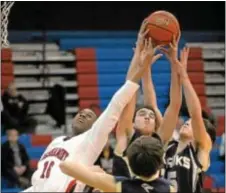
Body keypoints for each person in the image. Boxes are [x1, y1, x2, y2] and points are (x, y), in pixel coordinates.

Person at [22, 34, 158, 192]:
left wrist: (141, 69)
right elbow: (39, 183)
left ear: (96, 126)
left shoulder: (91, 139)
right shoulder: (56, 141)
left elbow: (117, 103)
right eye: (80, 113)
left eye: (89, 116)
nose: (83, 115)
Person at [113, 21, 183, 178]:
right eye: (142, 114)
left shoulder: (161, 140)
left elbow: (175, 104)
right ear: (132, 122)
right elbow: (128, 91)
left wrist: (174, 61)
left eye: (151, 116)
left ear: (156, 125)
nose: (147, 116)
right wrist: (138, 53)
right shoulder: (125, 135)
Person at [161, 46, 216, 193]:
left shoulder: (200, 151)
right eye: (187, 122)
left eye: (192, 125)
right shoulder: (168, 145)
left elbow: (195, 114)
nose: (187, 122)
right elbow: (174, 104)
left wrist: (184, 76)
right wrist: (174, 66)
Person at [59, 136, 176, 193]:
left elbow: (65, 166)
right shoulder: (170, 189)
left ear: (129, 164)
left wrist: (92, 170)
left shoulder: (120, 185)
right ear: (161, 162)